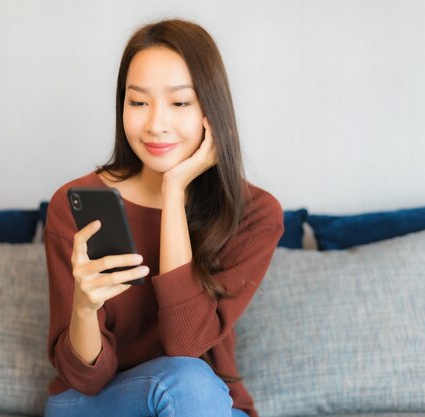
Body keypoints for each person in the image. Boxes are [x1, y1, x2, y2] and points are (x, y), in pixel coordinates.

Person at [43, 18, 284, 417]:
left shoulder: (254, 215)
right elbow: (88, 379)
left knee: (189, 384)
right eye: (138, 102)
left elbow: (185, 342)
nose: (156, 124)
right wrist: (84, 307)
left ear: (211, 108)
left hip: (202, 403)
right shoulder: (75, 206)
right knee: (185, 383)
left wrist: (174, 190)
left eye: (179, 103)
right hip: (96, 403)